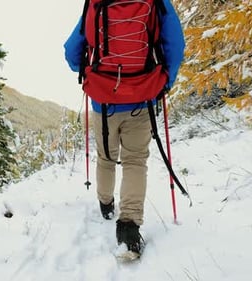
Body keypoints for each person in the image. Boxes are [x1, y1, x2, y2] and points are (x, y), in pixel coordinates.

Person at [63, 0, 185, 254]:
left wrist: (86, 73)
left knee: (106, 157)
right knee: (135, 161)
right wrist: (165, 81)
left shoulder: (96, 1)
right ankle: (129, 226)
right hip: (142, 95)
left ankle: (106, 204)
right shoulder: (158, 1)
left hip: (103, 99)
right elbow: (175, 43)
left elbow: (72, 50)